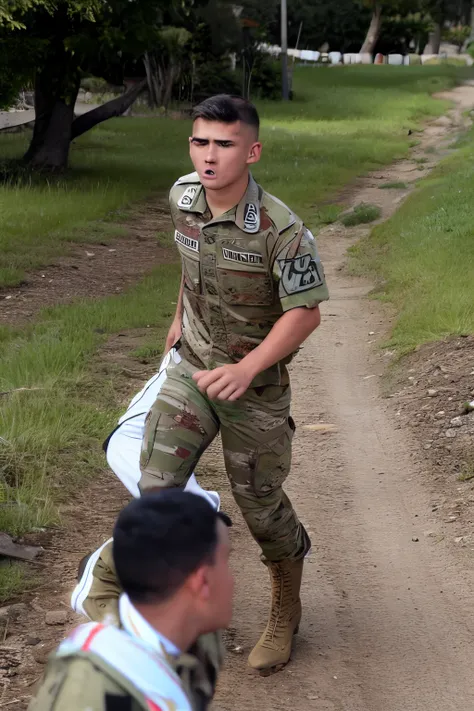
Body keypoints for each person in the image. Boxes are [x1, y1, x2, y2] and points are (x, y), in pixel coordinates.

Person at [76, 93, 329, 677]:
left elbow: (306, 313)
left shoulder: (281, 230)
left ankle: (286, 605)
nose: (209, 156)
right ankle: (117, 588)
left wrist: (246, 368)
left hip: (253, 387)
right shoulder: (183, 198)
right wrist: (177, 317)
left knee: (261, 510)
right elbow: (193, 268)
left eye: (224, 144)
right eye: (200, 142)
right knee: (157, 487)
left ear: (253, 151)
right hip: (191, 369)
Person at [29, 491, 233, 711]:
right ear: (201, 581)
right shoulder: (94, 697)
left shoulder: (196, 640)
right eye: (225, 563)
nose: (232, 580)